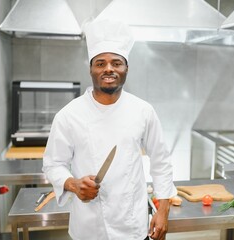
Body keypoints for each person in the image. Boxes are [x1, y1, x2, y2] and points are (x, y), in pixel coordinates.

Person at [42, 19, 177, 240]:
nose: (108, 69)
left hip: (132, 225)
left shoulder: (143, 110)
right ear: (91, 69)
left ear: (126, 69)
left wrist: (163, 210)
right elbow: (52, 164)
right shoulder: (69, 115)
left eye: (116, 62)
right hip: (88, 228)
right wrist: (73, 184)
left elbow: (161, 161)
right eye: (100, 63)